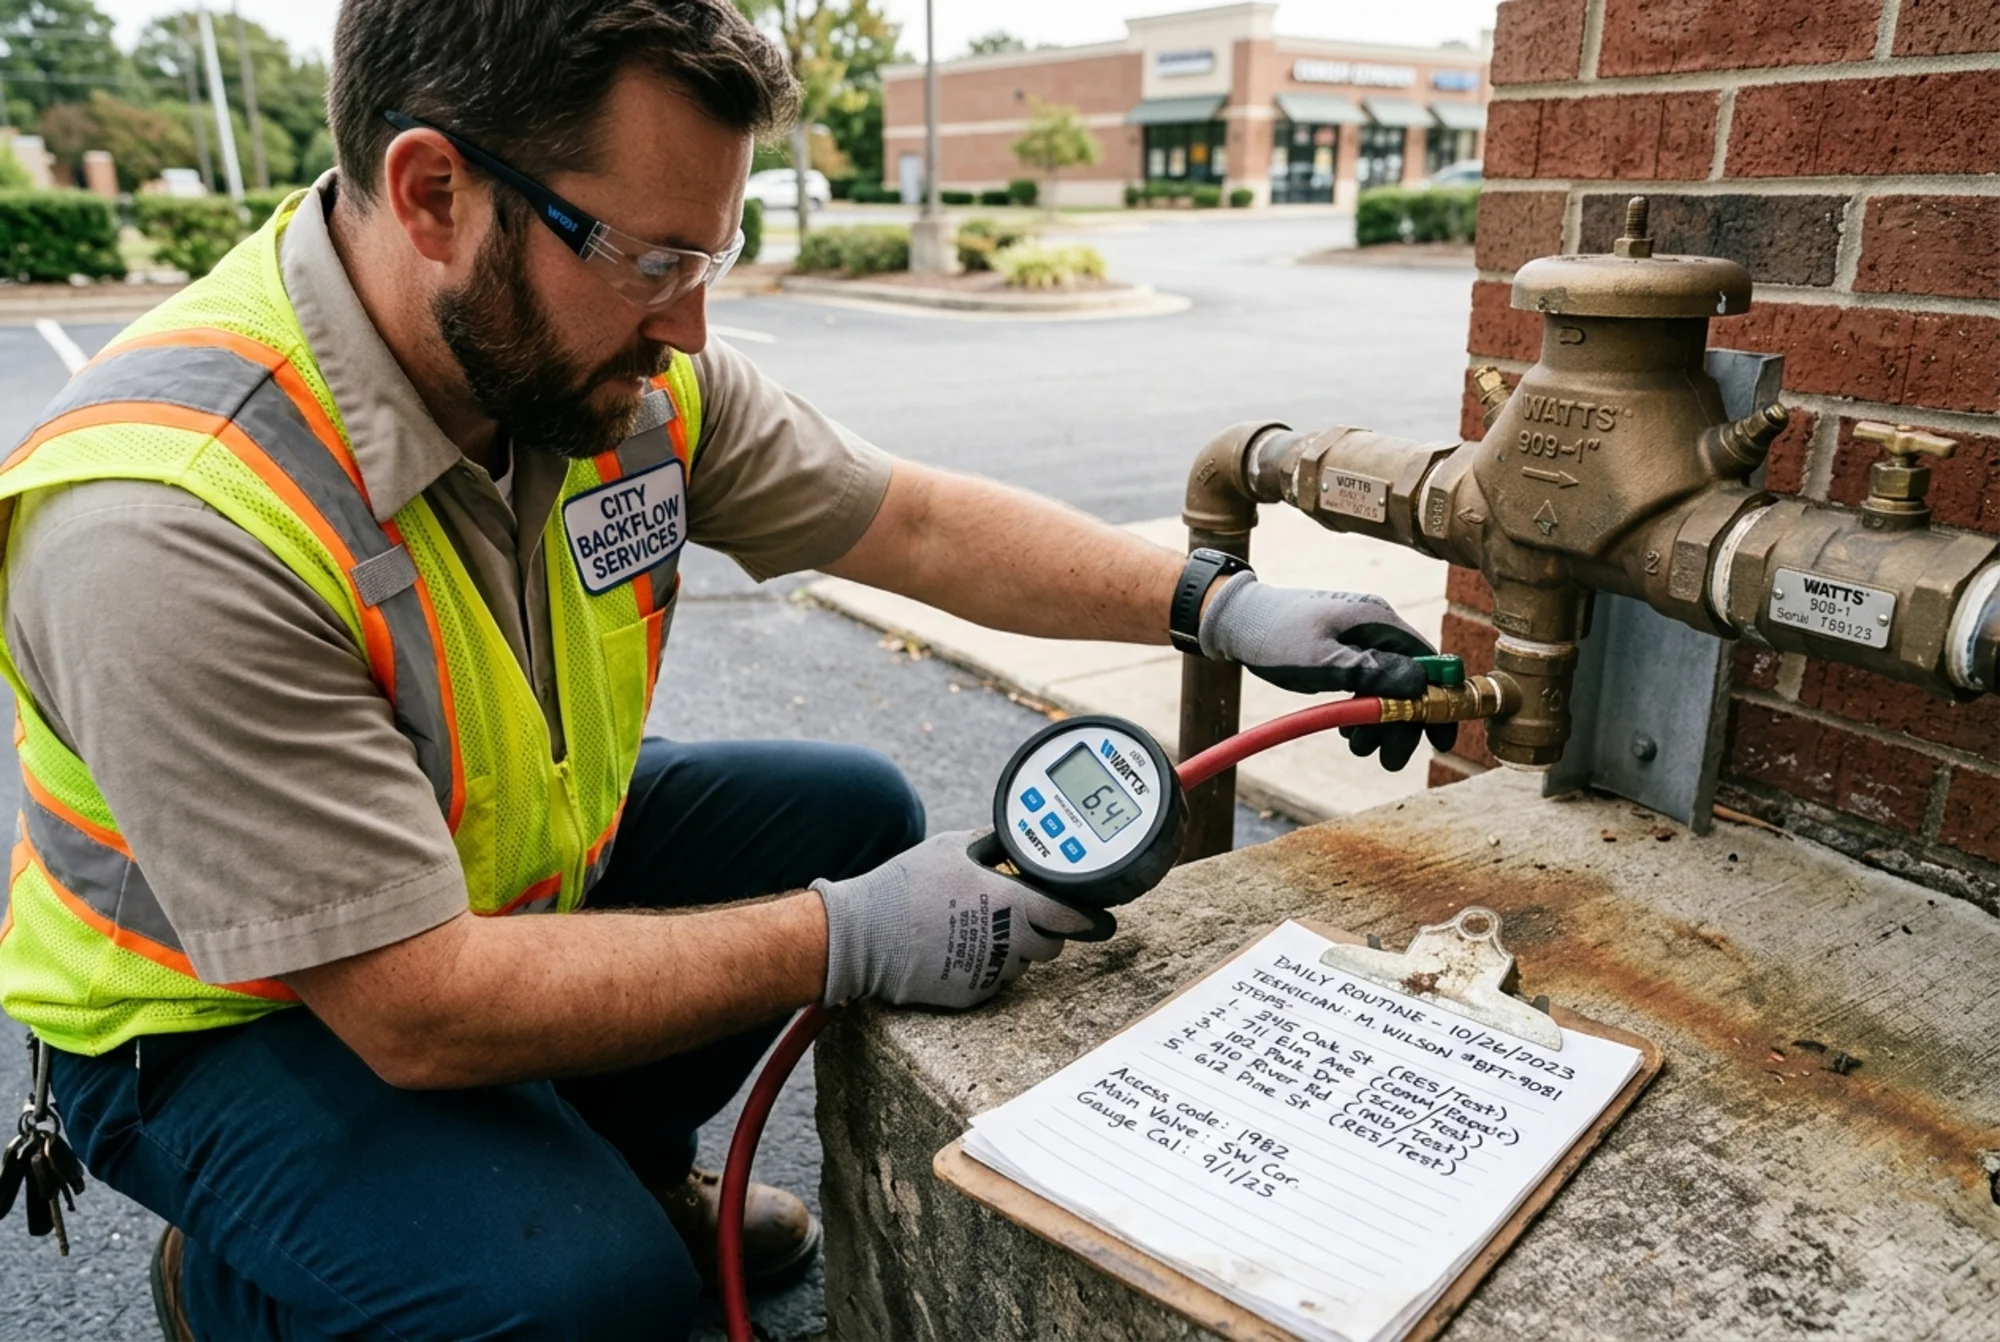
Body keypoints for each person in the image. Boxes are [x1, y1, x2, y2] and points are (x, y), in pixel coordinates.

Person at [0, 1, 1453, 1336]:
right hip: (222, 1017)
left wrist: (1217, 602)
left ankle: (618, 1164)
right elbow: (416, 999)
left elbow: (910, 517)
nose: (690, 325)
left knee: (847, 806)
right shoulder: (173, 516)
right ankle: (255, 1284)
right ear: (434, 194)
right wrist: (844, 936)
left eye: (711, 257)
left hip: (477, 879)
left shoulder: (603, 370)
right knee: (579, 1298)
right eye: (650, 260)